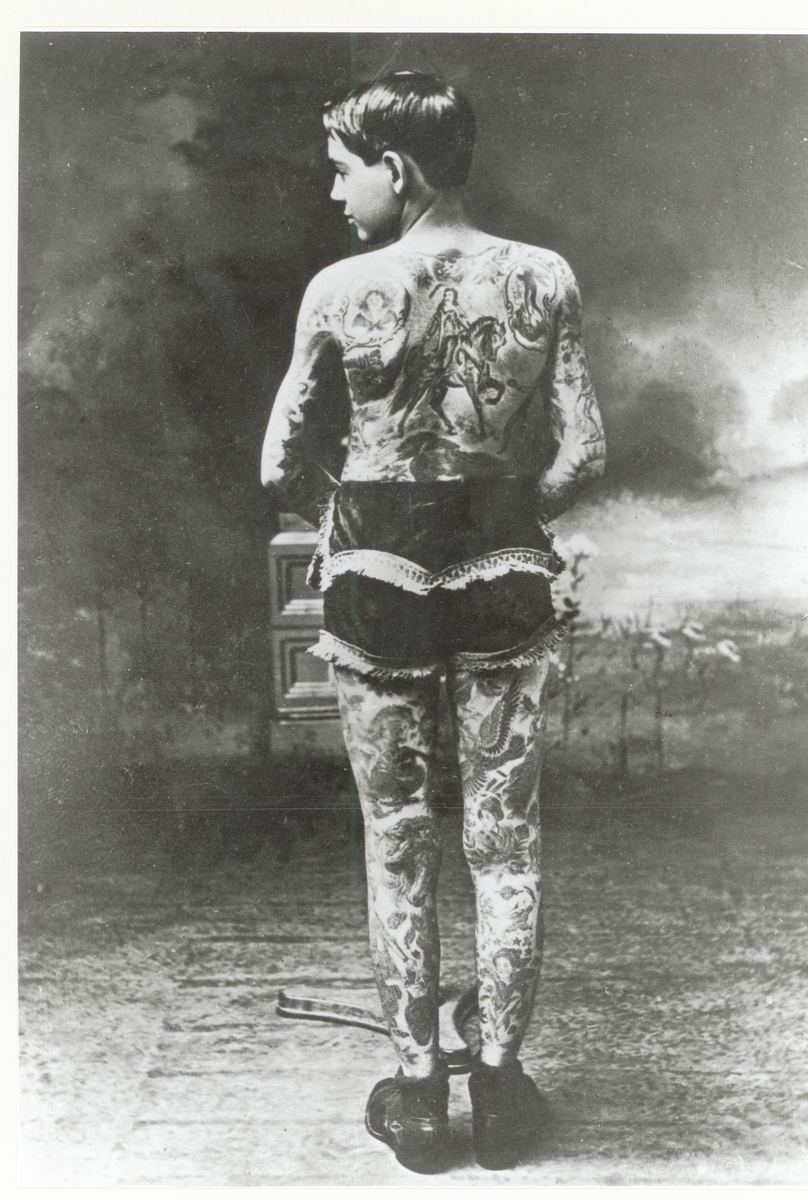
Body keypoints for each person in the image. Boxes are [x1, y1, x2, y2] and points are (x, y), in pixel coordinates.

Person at [261, 71, 605, 1174]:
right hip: (502, 563)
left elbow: (278, 462)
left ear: (395, 169)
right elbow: (585, 450)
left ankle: (417, 1101)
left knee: (397, 841)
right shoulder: (542, 276)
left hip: (374, 571)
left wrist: (343, 518)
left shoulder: (339, 289)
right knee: (503, 844)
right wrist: (507, 512)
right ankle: (499, 1095)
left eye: (342, 171)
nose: (334, 193)